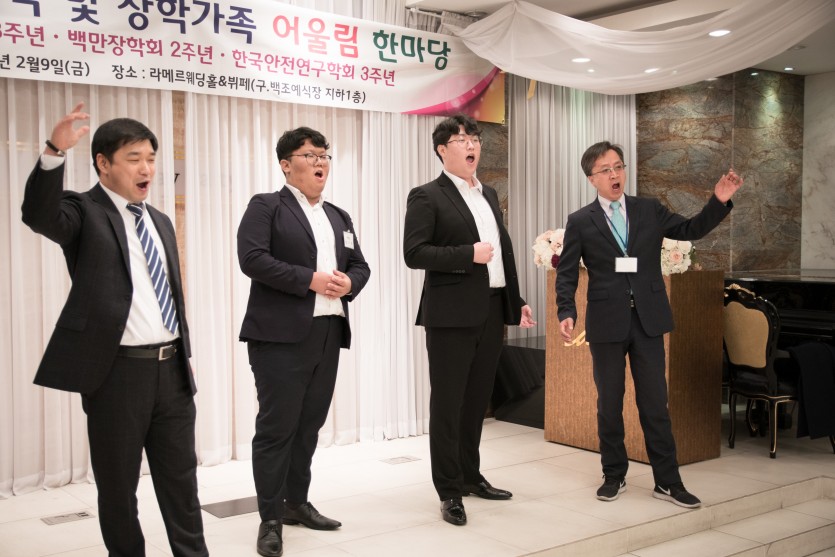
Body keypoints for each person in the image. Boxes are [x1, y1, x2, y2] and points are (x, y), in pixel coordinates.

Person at [21, 102, 208, 556]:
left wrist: (181, 356)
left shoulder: (159, 220)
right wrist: (53, 152)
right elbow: (40, 215)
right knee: (119, 487)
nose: (147, 169)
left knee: (182, 484)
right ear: (103, 163)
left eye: (151, 158)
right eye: (134, 158)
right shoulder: (83, 211)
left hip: (171, 371)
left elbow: (168, 294)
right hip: (117, 374)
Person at [556, 141, 744, 509]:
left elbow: (690, 229)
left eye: (618, 166)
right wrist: (567, 311)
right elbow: (567, 273)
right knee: (609, 404)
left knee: (655, 404)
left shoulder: (648, 209)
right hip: (606, 322)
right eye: (606, 170)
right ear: (592, 179)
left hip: (648, 320)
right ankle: (614, 474)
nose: (615, 174)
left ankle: (668, 482)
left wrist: (718, 201)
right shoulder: (580, 220)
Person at [237, 127, 370, 557]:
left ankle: (296, 503)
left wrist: (350, 283)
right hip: (279, 336)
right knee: (277, 428)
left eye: (325, 155)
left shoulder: (339, 216)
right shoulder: (266, 206)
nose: (320, 162)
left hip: (328, 331)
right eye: (310, 155)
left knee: (309, 425)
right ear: (285, 164)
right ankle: (270, 518)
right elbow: (252, 259)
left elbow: (360, 265)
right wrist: (308, 280)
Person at [403, 114, 536, 526]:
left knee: (477, 400)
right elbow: (415, 253)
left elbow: (501, 254)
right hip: (450, 316)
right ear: (442, 149)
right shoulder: (427, 195)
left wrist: (515, 301)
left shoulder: (488, 193)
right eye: (461, 139)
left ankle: (470, 476)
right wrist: (467, 254)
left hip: (491, 310)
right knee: (448, 404)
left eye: (474, 137)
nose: (471, 144)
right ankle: (449, 490)